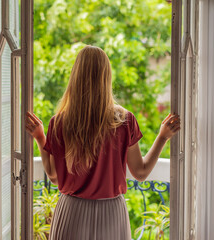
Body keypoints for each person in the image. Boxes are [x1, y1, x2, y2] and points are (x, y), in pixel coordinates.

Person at [25, 45, 180, 240]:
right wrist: (163, 137)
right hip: (111, 214)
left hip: (71, 213)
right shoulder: (124, 120)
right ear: (106, 77)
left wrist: (40, 138)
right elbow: (140, 173)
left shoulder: (60, 122)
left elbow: (54, 177)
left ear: (75, 76)